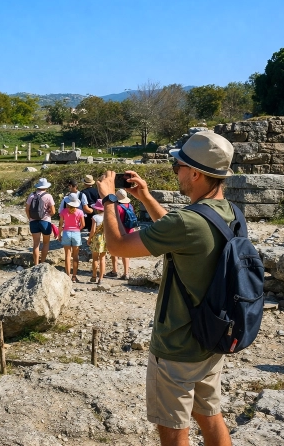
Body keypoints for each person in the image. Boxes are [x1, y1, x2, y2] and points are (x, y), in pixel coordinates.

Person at [95, 131, 235, 446]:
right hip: (211, 336)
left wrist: (109, 199)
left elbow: (117, 246)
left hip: (177, 345)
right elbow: (178, 233)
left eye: (178, 166)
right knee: (210, 416)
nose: (176, 171)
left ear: (195, 174)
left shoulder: (187, 222)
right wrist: (145, 197)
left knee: (174, 430)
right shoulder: (229, 213)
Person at [25, 177, 56, 266]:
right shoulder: (48, 196)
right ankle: (42, 263)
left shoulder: (31, 195)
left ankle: (36, 264)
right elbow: (53, 211)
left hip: (33, 221)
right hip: (45, 221)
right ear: (46, 186)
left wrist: (30, 218)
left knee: (36, 244)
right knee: (46, 243)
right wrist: (49, 214)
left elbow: (27, 209)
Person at [57, 195, 85, 282]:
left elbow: (60, 224)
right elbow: (83, 224)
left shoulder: (63, 211)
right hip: (76, 233)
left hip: (66, 233)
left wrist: (59, 235)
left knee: (67, 256)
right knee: (75, 256)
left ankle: (68, 275)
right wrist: (78, 229)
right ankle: (74, 276)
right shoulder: (80, 212)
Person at [109, 188, 134, 280]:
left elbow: (115, 220)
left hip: (120, 231)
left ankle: (114, 271)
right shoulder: (130, 206)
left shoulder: (117, 207)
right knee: (126, 252)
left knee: (114, 250)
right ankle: (126, 273)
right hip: (130, 231)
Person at [87, 199, 106, 284]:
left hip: (96, 238)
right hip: (105, 238)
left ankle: (94, 276)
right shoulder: (107, 217)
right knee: (102, 258)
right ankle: (101, 278)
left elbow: (93, 230)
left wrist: (89, 239)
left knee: (95, 258)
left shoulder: (95, 217)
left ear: (97, 209)